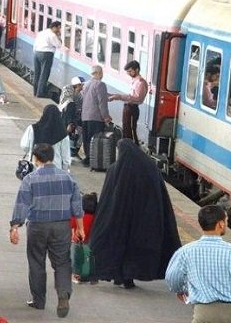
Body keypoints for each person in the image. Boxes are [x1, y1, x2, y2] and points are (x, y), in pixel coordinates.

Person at [89, 138, 181, 289]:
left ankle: (119, 277)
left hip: (118, 219)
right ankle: (129, 276)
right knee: (135, 248)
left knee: (119, 245)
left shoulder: (114, 170)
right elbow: (159, 196)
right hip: (143, 220)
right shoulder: (150, 168)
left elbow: (107, 198)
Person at [10, 143, 84, 318]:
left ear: (36, 159)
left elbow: (22, 204)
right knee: (63, 262)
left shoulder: (30, 179)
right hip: (61, 226)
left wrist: (15, 226)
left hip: (37, 226)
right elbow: (77, 205)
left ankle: (39, 300)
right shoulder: (68, 178)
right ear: (52, 157)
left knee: (36, 261)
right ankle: (63, 294)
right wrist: (80, 228)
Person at [165, 205, 231, 323]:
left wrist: (180, 289)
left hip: (203, 313)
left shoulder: (186, 251)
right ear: (220, 224)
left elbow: (172, 277)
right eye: (226, 220)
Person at [108, 60, 148, 145]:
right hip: (128, 107)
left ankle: (133, 148)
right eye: (127, 72)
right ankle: (127, 147)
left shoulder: (141, 82)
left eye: (130, 71)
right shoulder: (135, 81)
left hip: (132, 108)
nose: (128, 73)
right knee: (126, 129)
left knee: (131, 130)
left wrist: (118, 97)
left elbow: (137, 98)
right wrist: (115, 96)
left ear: (136, 70)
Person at [21, 104, 71, 171]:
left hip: (36, 167)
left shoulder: (32, 128)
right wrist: (64, 171)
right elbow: (66, 158)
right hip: (56, 170)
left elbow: (24, 146)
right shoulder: (63, 134)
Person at [80, 65, 111, 166]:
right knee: (95, 139)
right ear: (98, 73)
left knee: (87, 138)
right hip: (96, 117)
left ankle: (87, 158)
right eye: (101, 72)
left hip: (85, 116)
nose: (102, 75)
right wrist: (106, 117)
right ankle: (94, 160)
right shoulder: (100, 84)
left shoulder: (86, 84)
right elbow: (102, 103)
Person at [32, 21, 62, 98]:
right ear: (54, 27)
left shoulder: (41, 32)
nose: (59, 30)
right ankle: (40, 93)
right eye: (58, 28)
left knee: (37, 73)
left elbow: (35, 44)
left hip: (37, 53)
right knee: (44, 74)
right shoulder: (52, 35)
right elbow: (58, 45)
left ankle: (35, 92)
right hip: (46, 54)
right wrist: (59, 37)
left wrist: (35, 52)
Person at [59, 76, 84, 158]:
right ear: (77, 85)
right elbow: (69, 108)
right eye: (81, 85)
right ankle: (69, 152)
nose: (82, 87)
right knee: (68, 136)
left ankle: (71, 151)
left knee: (73, 136)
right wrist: (70, 123)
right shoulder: (69, 98)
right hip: (67, 120)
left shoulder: (79, 95)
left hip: (72, 119)